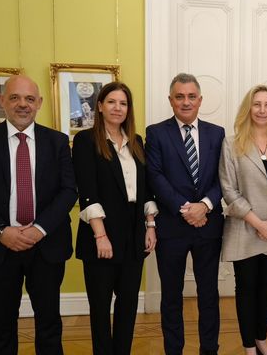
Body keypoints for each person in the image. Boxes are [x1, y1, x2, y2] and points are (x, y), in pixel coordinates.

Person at [0, 75, 77, 354]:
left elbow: (68, 191)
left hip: (46, 246)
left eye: (29, 99)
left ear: (39, 103)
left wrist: (40, 229)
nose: (22, 104)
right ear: (2, 101)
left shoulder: (58, 141)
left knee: (49, 322)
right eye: (15, 97)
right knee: (1, 323)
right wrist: (2, 231)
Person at [72, 82, 157, 355]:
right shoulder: (86, 140)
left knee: (128, 306)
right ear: (99, 106)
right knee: (100, 308)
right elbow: (87, 190)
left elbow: (144, 190)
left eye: (123, 103)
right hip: (102, 235)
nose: (117, 108)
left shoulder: (136, 141)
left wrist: (150, 226)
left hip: (133, 235)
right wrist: (100, 234)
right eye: (111, 102)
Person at [145, 73, 225, 355]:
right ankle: (174, 350)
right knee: (171, 297)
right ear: (171, 100)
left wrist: (204, 205)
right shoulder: (156, 133)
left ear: (200, 100)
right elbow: (155, 176)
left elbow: (222, 178)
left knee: (208, 295)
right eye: (179, 96)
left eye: (191, 96)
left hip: (209, 226)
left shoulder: (217, 133)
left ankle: (209, 350)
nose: (186, 102)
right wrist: (186, 209)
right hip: (172, 228)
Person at [218, 85, 267, 355]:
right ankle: (249, 346)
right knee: (246, 288)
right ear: (248, 108)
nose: (262, 110)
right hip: (245, 228)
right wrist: (259, 224)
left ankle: (262, 338)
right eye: (257, 104)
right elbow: (229, 190)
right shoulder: (232, 144)